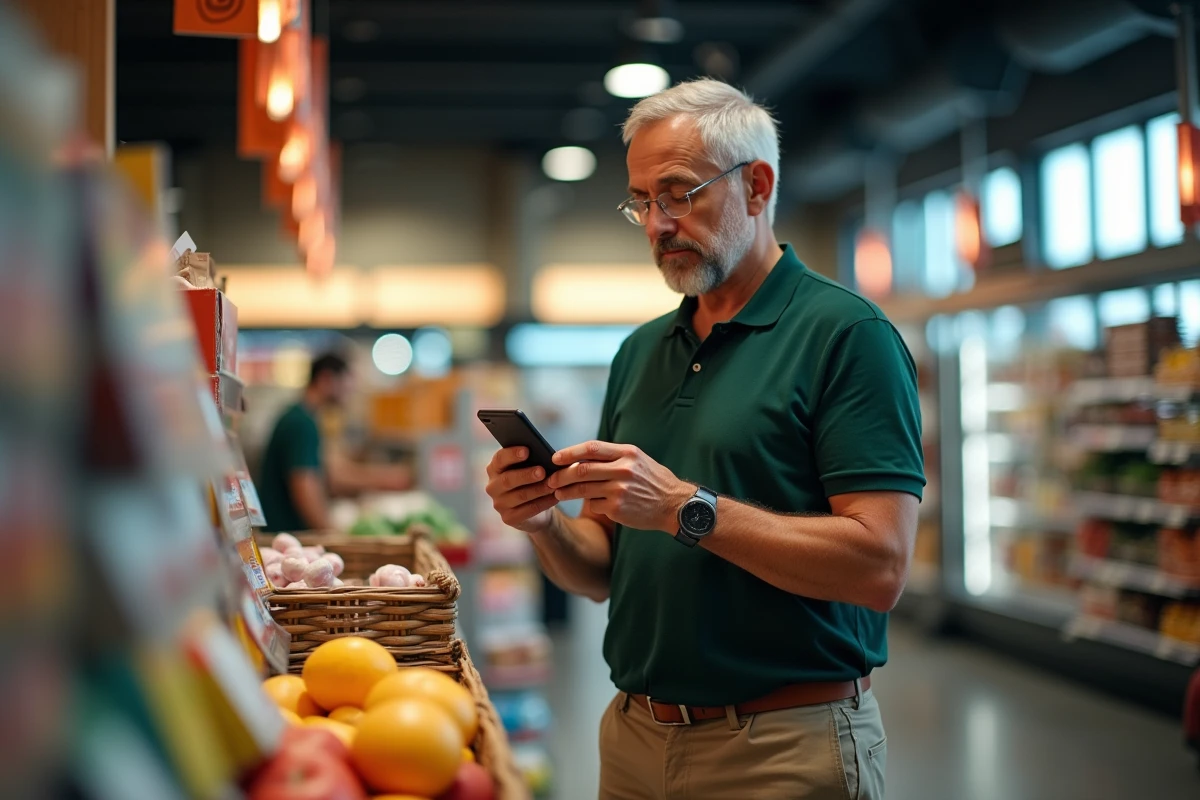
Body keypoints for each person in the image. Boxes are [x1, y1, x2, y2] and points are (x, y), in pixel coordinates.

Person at [485, 79, 924, 800]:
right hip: (632, 737)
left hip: (782, 749)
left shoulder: (847, 336)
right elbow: (602, 571)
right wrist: (543, 526)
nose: (656, 223)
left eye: (679, 194)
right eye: (641, 201)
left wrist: (687, 508)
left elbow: (879, 567)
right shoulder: (639, 351)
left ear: (756, 187)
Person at [258, 352, 411, 532]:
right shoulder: (302, 424)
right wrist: (329, 533)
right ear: (327, 379)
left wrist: (383, 478)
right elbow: (305, 485)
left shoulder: (301, 416)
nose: (350, 391)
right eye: (347, 383)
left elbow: (331, 470)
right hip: (288, 533)